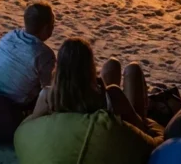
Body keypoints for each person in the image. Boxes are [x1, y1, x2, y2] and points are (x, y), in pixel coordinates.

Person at [26, 37, 161, 143]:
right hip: (112, 137)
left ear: (59, 67)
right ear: (90, 68)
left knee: (112, 64)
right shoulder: (112, 95)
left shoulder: (48, 96)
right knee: (133, 69)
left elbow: (30, 128)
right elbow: (140, 129)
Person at [0, 2, 55, 107]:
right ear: (46, 27)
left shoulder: (10, 35)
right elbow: (47, 88)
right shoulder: (44, 55)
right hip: (9, 106)